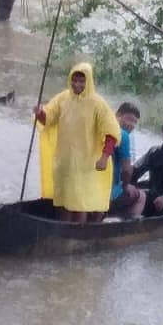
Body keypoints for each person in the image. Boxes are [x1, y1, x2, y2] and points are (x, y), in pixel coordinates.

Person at [34, 62, 121, 223]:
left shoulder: (97, 103)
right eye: (74, 80)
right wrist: (40, 113)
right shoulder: (63, 98)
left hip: (85, 164)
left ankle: (78, 236)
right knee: (62, 201)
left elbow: (111, 133)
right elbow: (49, 118)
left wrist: (104, 157)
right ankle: (61, 231)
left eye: (82, 81)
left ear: (88, 82)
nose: (77, 84)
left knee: (79, 203)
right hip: (64, 161)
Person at [109, 102, 146, 218]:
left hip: (89, 188)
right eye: (129, 119)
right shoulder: (123, 135)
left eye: (135, 122)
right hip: (107, 194)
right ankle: (128, 227)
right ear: (118, 115)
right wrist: (126, 185)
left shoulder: (102, 128)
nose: (131, 125)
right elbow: (126, 170)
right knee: (141, 195)